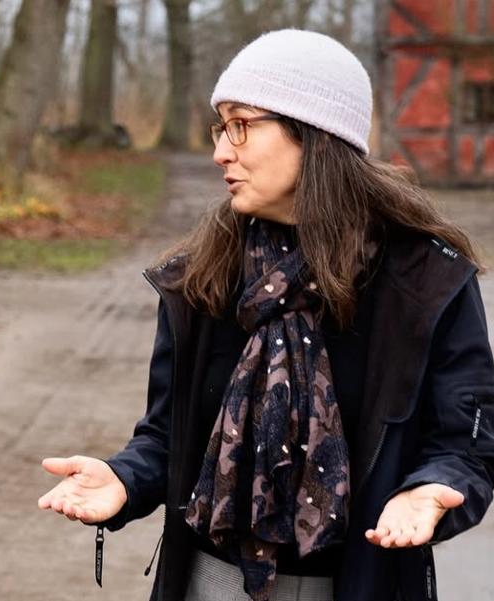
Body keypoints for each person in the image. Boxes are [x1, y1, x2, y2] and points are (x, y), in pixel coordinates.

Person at [38, 29, 494, 601]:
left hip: (360, 583)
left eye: (241, 126)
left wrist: (431, 489)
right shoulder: (203, 275)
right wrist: (124, 479)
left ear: (314, 136)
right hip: (210, 583)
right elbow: (166, 434)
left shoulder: (426, 281)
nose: (220, 151)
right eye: (220, 127)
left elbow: (465, 445)